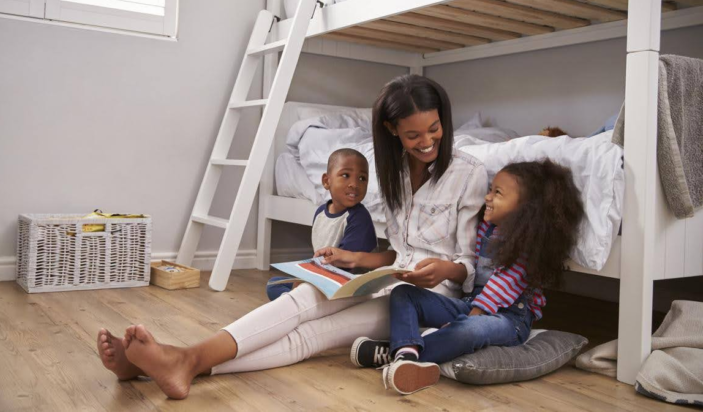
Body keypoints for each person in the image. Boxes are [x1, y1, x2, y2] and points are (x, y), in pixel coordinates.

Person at [96, 75, 487, 399]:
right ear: (392, 131)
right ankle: (173, 362)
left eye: (434, 129)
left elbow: (467, 267)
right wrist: (357, 261)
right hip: (387, 278)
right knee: (303, 297)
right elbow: (399, 252)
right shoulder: (394, 171)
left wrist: (444, 270)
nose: (426, 142)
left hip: (425, 298)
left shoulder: (469, 173)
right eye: (412, 134)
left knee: (312, 334)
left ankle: (181, 362)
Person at [352, 159, 585, 395]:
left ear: (523, 207)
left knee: (469, 331)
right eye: (490, 189)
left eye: (497, 193)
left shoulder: (528, 245)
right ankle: (405, 355)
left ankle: (400, 354)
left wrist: (469, 318)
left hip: (510, 319)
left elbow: (501, 283)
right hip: (472, 304)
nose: (487, 197)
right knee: (403, 294)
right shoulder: (487, 229)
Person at [266, 147, 378, 300]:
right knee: (274, 284)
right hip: (324, 278)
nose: (354, 184)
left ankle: (296, 304)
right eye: (345, 175)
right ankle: (297, 302)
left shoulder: (359, 218)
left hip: (345, 287)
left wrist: (307, 281)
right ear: (327, 181)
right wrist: (303, 279)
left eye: (362, 178)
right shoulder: (320, 212)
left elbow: (342, 265)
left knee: (295, 291)